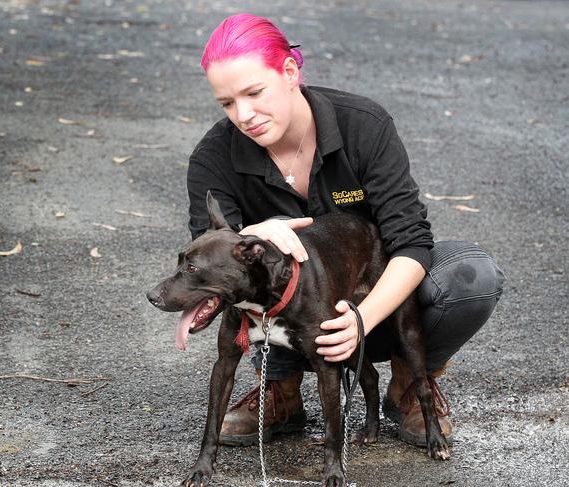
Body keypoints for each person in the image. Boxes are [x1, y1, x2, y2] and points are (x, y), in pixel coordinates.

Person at [185, 13, 505, 449]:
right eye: (226, 103)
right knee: (242, 282)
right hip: (290, 319)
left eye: (254, 93)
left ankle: (409, 382)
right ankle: (282, 388)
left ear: (290, 72)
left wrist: (362, 318)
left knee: (472, 276)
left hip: (375, 300)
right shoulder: (214, 156)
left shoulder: (364, 125)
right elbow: (210, 258)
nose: (243, 114)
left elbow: (410, 241)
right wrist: (252, 233)